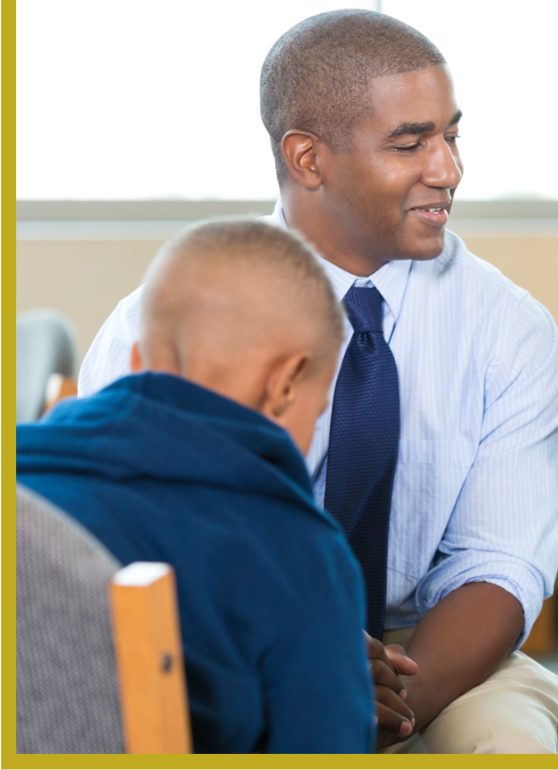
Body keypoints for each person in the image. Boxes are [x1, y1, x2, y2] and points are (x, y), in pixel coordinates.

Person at [76, 10, 558, 754]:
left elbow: (501, 562)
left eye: (452, 136)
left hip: (422, 645)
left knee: (506, 740)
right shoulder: (160, 320)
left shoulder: (510, 328)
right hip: (218, 631)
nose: (449, 170)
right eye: (411, 143)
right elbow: (123, 547)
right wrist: (302, 666)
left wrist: (399, 697)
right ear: (308, 159)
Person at [17, 219, 377, 753]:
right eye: (316, 411)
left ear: (138, 362)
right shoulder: (301, 557)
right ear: (285, 385)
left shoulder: (24, 479)